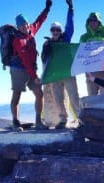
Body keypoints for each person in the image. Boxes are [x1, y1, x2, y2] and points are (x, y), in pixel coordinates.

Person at [9, 0, 51, 130]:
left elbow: (40, 20)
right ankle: (15, 121)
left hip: (31, 69)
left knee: (39, 93)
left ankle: (38, 121)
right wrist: (34, 76)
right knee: (17, 94)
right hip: (19, 69)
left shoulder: (31, 30)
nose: (24, 27)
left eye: (25, 24)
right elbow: (26, 61)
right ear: (18, 27)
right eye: (21, 26)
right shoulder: (18, 40)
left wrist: (47, 8)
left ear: (28, 24)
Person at [40, 0, 77, 129]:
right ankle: (63, 119)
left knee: (73, 96)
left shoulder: (65, 39)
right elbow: (44, 60)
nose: (55, 31)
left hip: (67, 72)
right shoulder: (47, 44)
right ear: (51, 31)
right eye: (53, 29)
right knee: (58, 98)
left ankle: (80, 118)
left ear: (60, 31)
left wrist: (70, 9)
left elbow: (70, 26)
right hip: (55, 75)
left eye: (57, 29)